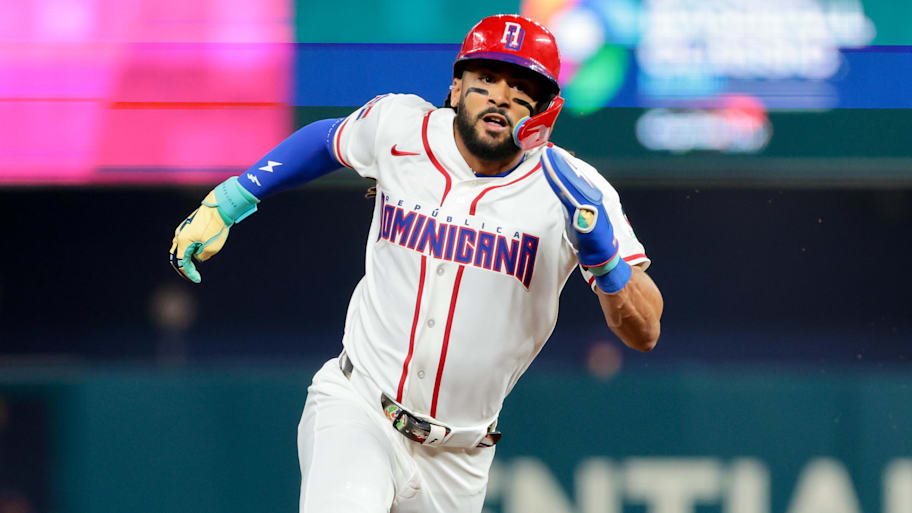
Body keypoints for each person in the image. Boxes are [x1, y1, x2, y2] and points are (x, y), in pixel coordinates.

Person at [169, 13, 663, 513]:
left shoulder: (575, 191)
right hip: (359, 407)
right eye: (486, 77)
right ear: (456, 85)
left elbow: (645, 330)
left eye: (521, 87)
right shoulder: (402, 126)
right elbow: (325, 140)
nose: (500, 95)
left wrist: (606, 263)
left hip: (459, 459)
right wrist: (230, 200)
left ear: (544, 111)